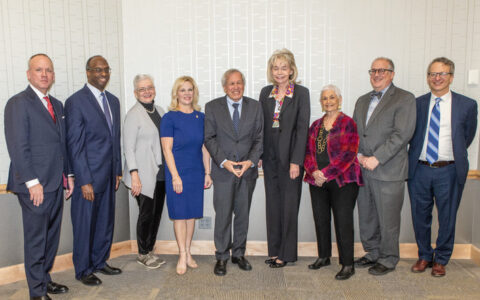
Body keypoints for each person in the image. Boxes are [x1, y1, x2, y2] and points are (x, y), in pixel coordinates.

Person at [4, 53, 73, 300]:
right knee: (36, 239)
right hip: (34, 185)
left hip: (56, 182)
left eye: (48, 70)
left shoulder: (57, 104)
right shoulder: (18, 103)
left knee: (51, 237)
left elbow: (61, 145)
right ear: (28, 74)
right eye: (39, 70)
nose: (44, 74)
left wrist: (68, 177)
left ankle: (44, 279)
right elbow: (18, 146)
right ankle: (36, 292)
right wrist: (33, 182)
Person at [408, 57, 477, 277]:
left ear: (451, 77)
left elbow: (467, 136)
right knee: (420, 215)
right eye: (432, 74)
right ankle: (425, 255)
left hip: (449, 169)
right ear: (428, 78)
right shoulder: (417, 104)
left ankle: (441, 259)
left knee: (447, 216)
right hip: (419, 168)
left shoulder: (467, 105)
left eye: (442, 74)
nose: (436, 78)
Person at [352, 57, 416, 275]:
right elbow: (356, 133)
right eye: (373, 71)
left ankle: (388, 258)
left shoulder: (404, 99)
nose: (376, 74)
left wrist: (377, 158)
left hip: (388, 170)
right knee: (367, 216)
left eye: (382, 70)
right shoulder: (362, 101)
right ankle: (372, 253)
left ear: (392, 74)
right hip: (363, 169)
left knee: (388, 219)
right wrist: (359, 155)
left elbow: (402, 134)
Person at [65, 55, 122, 286]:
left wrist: (117, 170)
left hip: (109, 176)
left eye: (106, 69)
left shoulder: (114, 101)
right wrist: (83, 180)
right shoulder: (76, 101)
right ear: (88, 72)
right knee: (85, 225)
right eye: (98, 70)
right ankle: (83, 269)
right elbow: (74, 145)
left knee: (105, 222)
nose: (103, 74)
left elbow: (114, 139)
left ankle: (100, 261)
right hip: (88, 177)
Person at [204, 69, 264, 276]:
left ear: (243, 85)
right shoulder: (212, 107)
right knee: (223, 216)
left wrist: (250, 162)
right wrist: (224, 162)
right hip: (223, 172)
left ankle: (238, 253)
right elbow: (209, 138)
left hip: (247, 172)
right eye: (231, 83)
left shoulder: (255, 107)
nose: (236, 87)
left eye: (239, 83)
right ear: (224, 87)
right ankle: (221, 256)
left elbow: (259, 138)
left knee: (243, 215)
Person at [304, 84, 363, 280]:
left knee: (343, 221)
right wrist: (314, 172)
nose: (328, 101)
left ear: (339, 100)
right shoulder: (315, 126)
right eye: (324, 98)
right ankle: (324, 256)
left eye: (332, 97)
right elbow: (308, 153)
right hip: (317, 181)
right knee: (321, 219)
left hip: (343, 181)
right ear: (321, 102)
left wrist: (326, 173)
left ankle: (348, 264)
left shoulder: (348, 123)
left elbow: (348, 154)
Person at [259, 48, 310, 268]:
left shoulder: (301, 93)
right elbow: (261, 127)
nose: (279, 72)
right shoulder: (265, 93)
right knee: (273, 206)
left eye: (284, 67)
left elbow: (302, 129)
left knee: (289, 208)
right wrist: (259, 155)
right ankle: (274, 250)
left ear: (291, 70)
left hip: (290, 161)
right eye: (275, 67)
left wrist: (296, 161)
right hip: (269, 160)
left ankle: (286, 254)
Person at [161, 76, 212, 275]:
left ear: (194, 92)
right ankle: (182, 254)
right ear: (176, 94)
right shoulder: (169, 118)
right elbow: (167, 150)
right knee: (180, 216)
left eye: (190, 89)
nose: (187, 93)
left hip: (196, 172)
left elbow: (205, 148)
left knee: (191, 215)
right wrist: (175, 176)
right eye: (182, 90)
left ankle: (188, 252)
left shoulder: (201, 117)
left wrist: (207, 172)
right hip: (177, 173)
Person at [123, 74, 167, 269]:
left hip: (161, 173)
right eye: (142, 89)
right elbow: (128, 147)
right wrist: (134, 176)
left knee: (156, 214)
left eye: (149, 87)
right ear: (135, 93)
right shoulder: (133, 114)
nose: (147, 91)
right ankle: (142, 253)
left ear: (154, 89)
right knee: (146, 214)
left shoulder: (160, 110)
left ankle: (150, 250)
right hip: (142, 174)